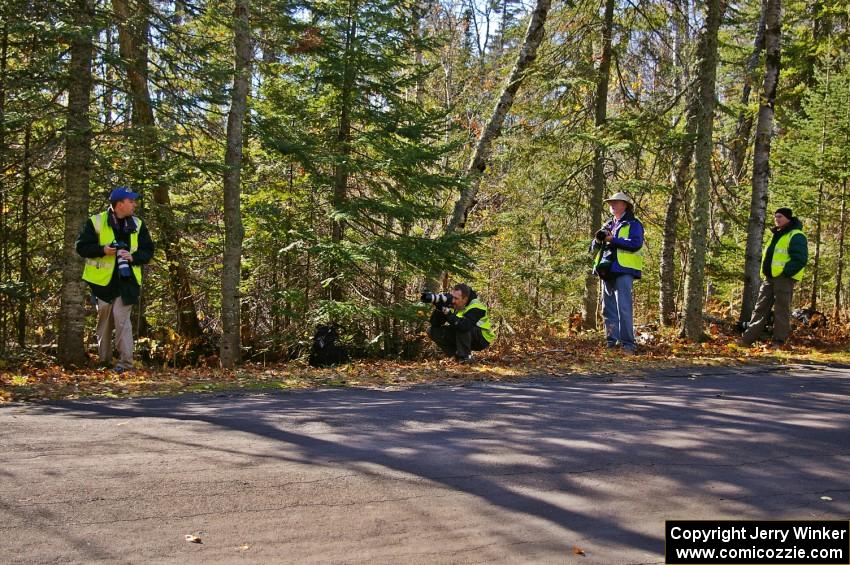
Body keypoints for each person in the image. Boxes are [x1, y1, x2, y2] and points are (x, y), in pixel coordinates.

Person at [76, 187, 154, 371]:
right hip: (102, 283)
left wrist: (133, 257)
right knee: (104, 322)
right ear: (119, 205)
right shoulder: (96, 222)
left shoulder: (138, 224)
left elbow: (148, 251)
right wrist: (102, 250)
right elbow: (81, 247)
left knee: (121, 320)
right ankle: (104, 361)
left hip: (127, 282)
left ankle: (125, 364)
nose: (134, 204)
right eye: (131, 201)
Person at [739, 207, 808, 348]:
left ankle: (778, 342)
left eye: (780, 216)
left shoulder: (796, 235)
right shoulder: (776, 234)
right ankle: (747, 340)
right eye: (775, 216)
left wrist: (785, 273)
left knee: (781, 310)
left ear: (788, 218)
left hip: (784, 278)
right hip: (769, 278)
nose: (777, 219)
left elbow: (800, 259)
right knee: (760, 308)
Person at [590, 192, 644, 355]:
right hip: (607, 269)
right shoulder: (608, 224)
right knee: (608, 308)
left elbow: (636, 244)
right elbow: (593, 248)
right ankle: (611, 342)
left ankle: (628, 344)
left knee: (624, 308)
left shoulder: (633, 223)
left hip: (624, 269)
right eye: (610, 203)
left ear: (625, 205)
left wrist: (612, 240)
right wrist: (598, 240)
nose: (612, 205)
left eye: (616, 202)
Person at [425, 284, 495, 363]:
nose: (453, 300)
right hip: (464, 335)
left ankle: (465, 357)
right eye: (452, 297)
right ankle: (456, 357)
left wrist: (448, 313)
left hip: (481, 338)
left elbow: (465, 326)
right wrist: (440, 308)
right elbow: (435, 323)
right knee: (431, 331)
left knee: (461, 324)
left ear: (465, 299)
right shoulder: (452, 304)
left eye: (456, 298)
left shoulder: (476, 306)